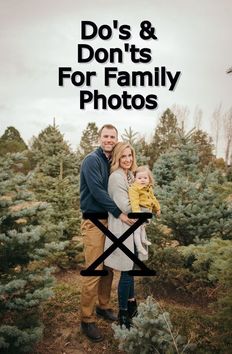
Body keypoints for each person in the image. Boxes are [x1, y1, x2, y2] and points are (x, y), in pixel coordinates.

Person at [80, 125, 134, 342]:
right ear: (99, 138)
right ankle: (87, 319)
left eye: (112, 137)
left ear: (116, 139)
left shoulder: (111, 161)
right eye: (106, 136)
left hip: (110, 221)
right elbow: (97, 191)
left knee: (108, 269)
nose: (109, 140)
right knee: (94, 270)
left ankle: (103, 306)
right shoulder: (92, 160)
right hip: (95, 221)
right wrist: (119, 212)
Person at [104, 142, 140, 329]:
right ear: (117, 158)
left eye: (130, 155)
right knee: (126, 271)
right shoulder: (116, 178)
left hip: (131, 229)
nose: (127, 159)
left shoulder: (130, 176)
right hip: (121, 229)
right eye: (123, 156)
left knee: (131, 268)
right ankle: (123, 314)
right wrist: (144, 205)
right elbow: (125, 207)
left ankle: (132, 304)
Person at [129, 165, 161, 256]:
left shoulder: (148, 187)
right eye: (139, 178)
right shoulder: (134, 188)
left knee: (143, 227)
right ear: (135, 178)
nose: (142, 180)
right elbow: (134, 201)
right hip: (140, 210)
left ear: (149, 179)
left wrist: (157, 208)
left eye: (145, 178)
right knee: (137, 230)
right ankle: (139, 247)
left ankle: (143, 239)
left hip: (148, 210)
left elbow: (153, 198)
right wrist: (137, 213)